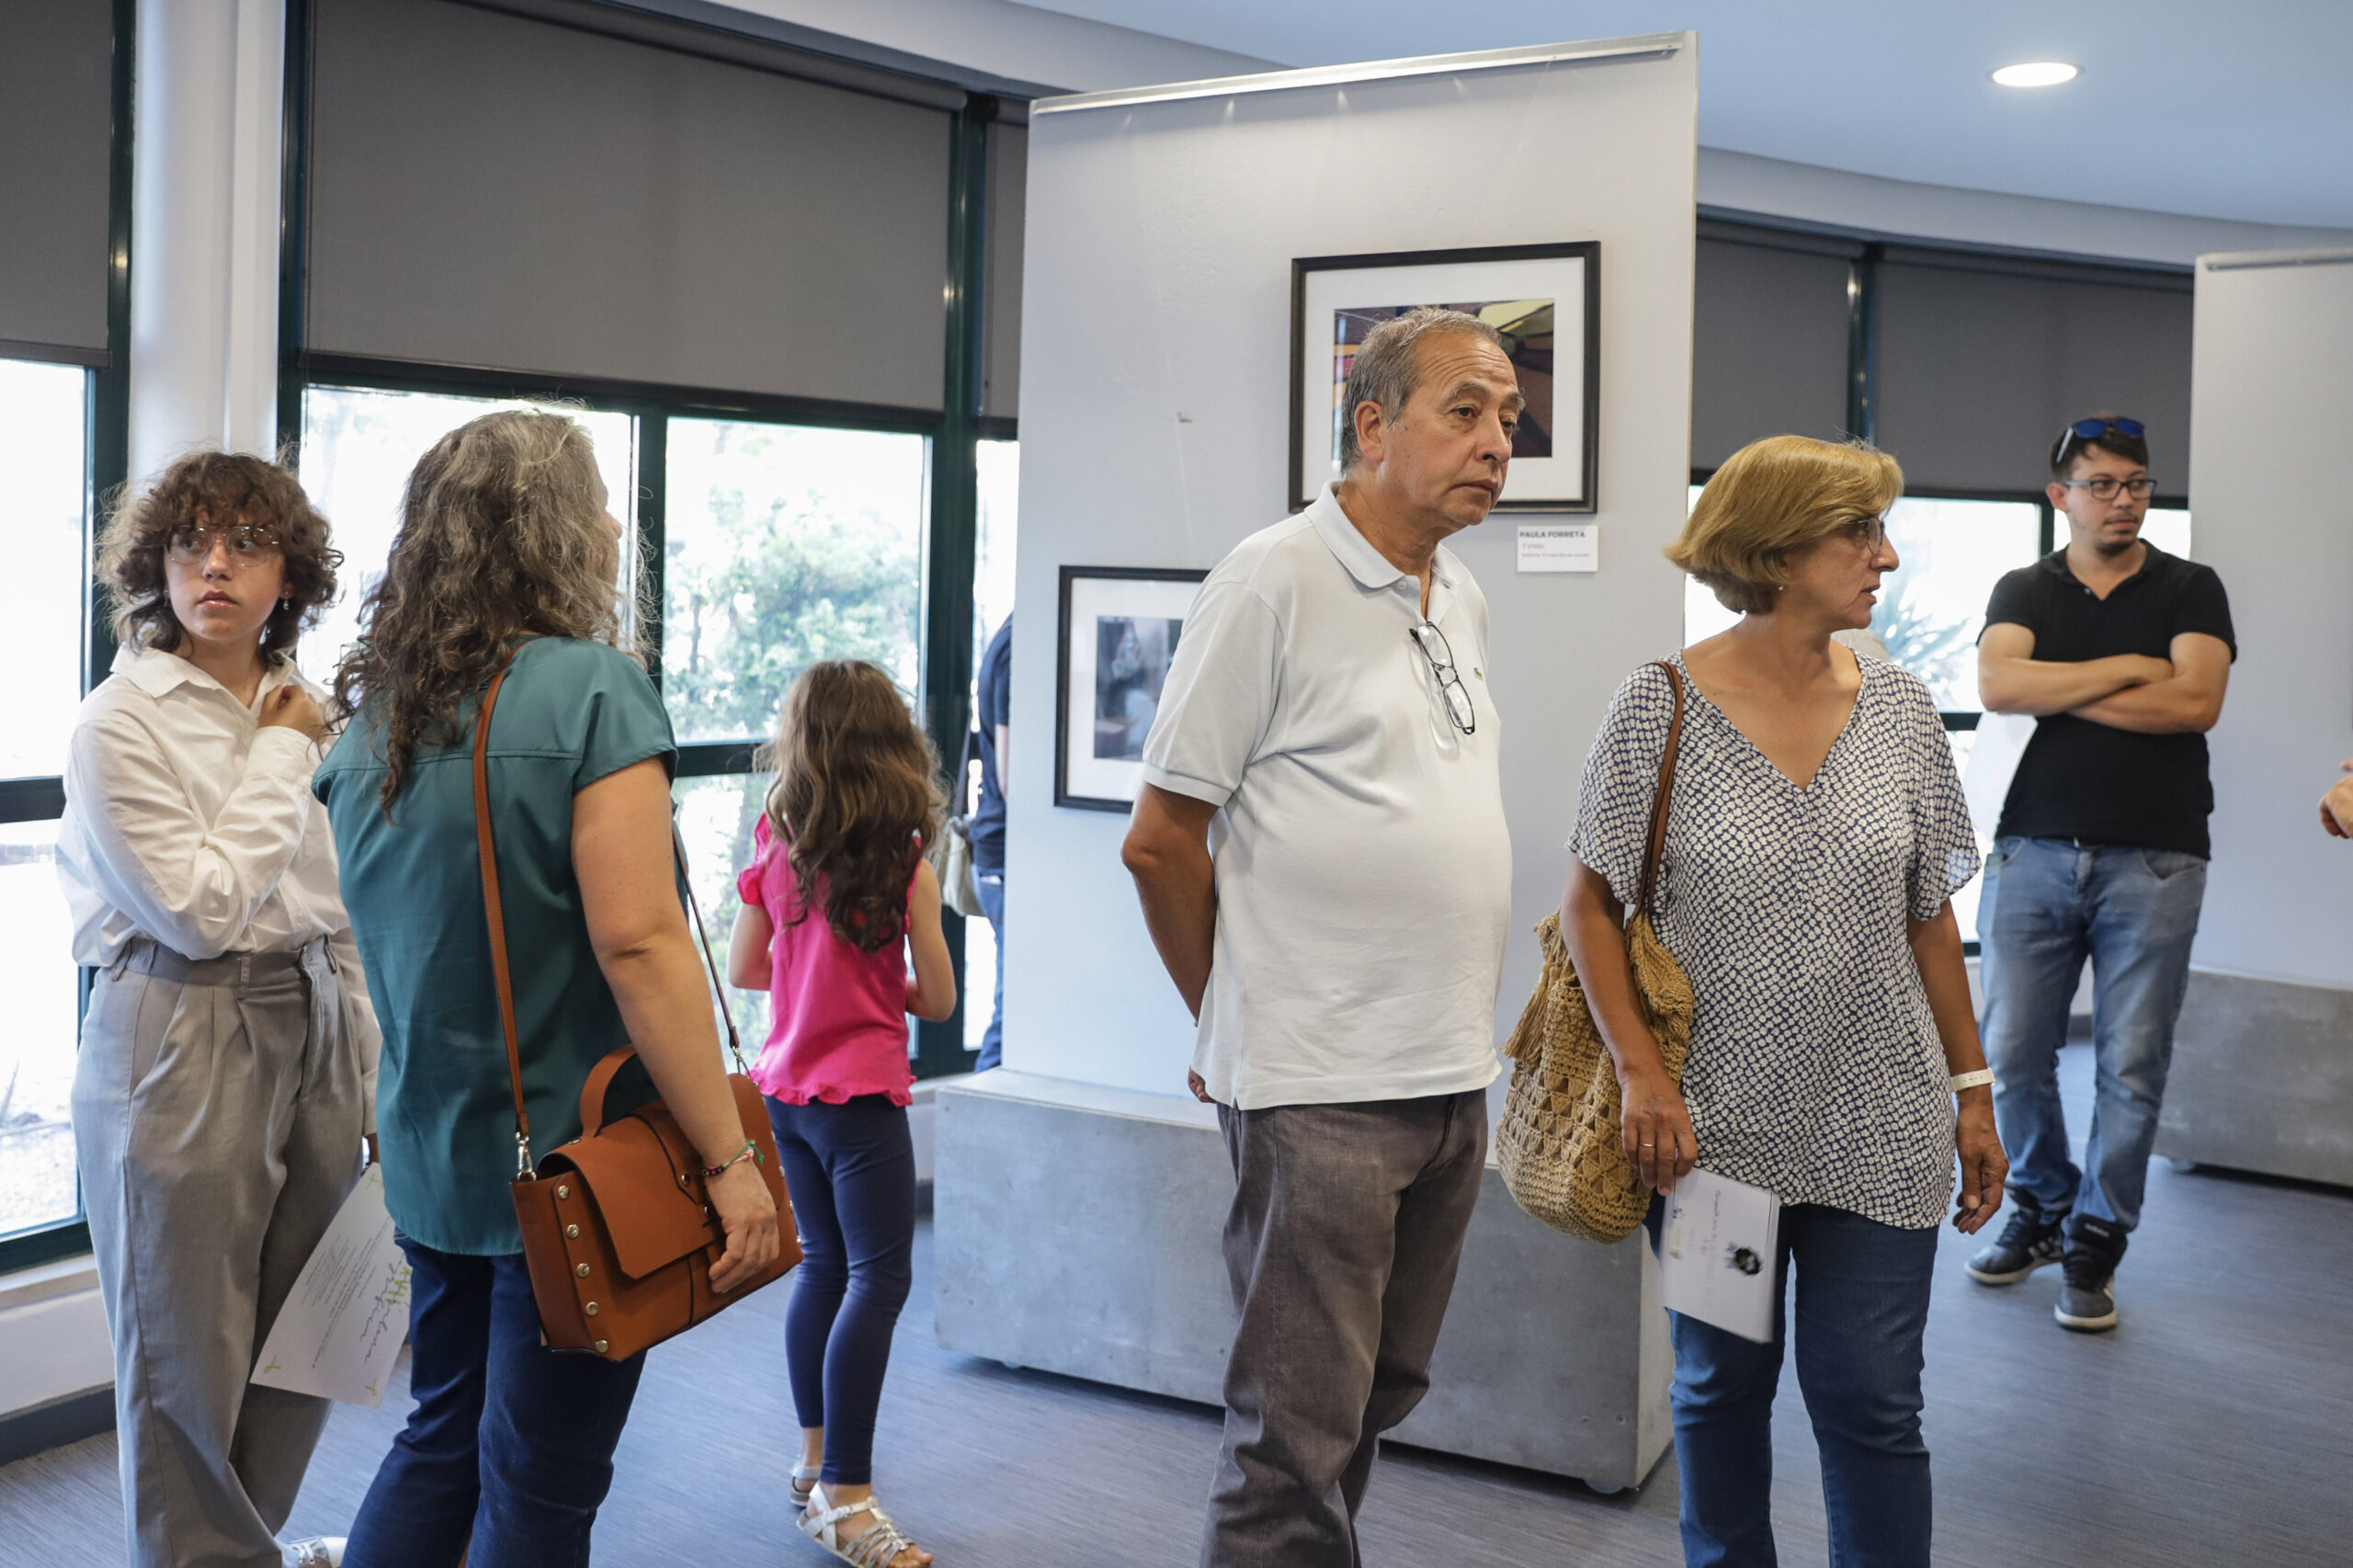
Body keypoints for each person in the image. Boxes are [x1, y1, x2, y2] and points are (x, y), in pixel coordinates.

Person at [315, 411, 779, 1568]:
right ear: (557, 532)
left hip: (433, 1156)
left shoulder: (377, 717)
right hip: (572, 1166)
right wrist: (730, 1164)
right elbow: (640, 943)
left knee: (442, 1439)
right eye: (601, 504)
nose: (619, 526)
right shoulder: (590, 692)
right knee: (540, 1482)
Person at [1563, 435, 2006, 1568]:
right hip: (1710, 1136)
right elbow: (1588, 911)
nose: (1887, 557)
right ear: (1774, 546)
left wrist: (1973, 1090)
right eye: (1858, 531)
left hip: (1880, 1121)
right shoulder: (1655, 707)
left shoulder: (1903, 711)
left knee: (1871, 1404)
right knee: (1717, 1394)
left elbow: (1929, 920)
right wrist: (1641, 1075)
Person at [1120, 306, 1517, 1568]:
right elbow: (1160, 838)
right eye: (1466, 411)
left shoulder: (1459, 591)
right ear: (1372, 424)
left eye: (1509, 414)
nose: (1498, 441)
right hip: (1321, 1083)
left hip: (1449, 1070)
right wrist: (1226, 1013)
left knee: (1376, 1397)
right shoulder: (1271, 578)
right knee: (1292, 1436)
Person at [58, 452, 373, 1568]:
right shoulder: (119, 721)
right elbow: (198, 908)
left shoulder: (308, 704)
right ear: (158, 566)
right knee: (187, 1350)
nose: (216, 566)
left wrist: (368, 1061)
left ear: (289, 570)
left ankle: (239, 1545)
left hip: (319, 1012)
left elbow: (335, 901)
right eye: (191, 544)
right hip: (180, 1023)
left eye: (244, 542)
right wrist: (286, 749)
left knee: (309, 1329)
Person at [1969, 415, 2234, 1332]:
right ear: (2061, 497)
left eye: (2135, 483)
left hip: (2157, 853)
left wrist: (2064, 682)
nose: (2122, 499)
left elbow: (2194, 700)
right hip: (2031, 844)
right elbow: (1999, 688)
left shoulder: (2190, 586)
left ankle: (2094, 1240)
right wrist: (2127, 666)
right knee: (2009, 1052)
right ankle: (2039, 1204)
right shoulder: (2022, 584)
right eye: (2101, 484)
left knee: (2128, 1063)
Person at [724, 659, 955, 1568]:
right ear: (891, 747)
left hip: (784, 1092)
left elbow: (750, 969)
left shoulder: (774, 844)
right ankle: (846, 1495)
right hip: (861, 1099)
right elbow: (935, 998)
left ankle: (813, 1456)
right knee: (880, 1279)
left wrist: (813, 974)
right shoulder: (906, 862)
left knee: (822, 1266)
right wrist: (876, 981)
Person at [968, 613, 1012, 1070]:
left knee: (1015, 1009)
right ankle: (974, 1140)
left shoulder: (1011, 639)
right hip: (1006, 858)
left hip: (1000, 855)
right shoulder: (1018, 648)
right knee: (1012, 1017)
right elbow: (1012, 776)